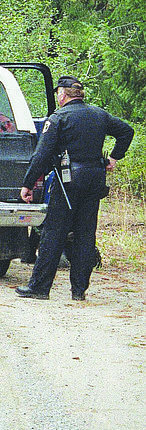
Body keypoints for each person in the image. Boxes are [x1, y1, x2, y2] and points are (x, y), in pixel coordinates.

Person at [16, 76, 134, 301]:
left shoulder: (59, 117)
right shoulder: (99, 114)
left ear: (62, 94)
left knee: (54, 233)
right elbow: (127, 131)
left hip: (69, 181)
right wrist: (114, 157)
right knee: (85, 234)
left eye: (58, 93)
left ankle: (39, 287)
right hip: (95, 180)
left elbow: (41, 155)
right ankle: (79, 291)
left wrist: (28, 184)